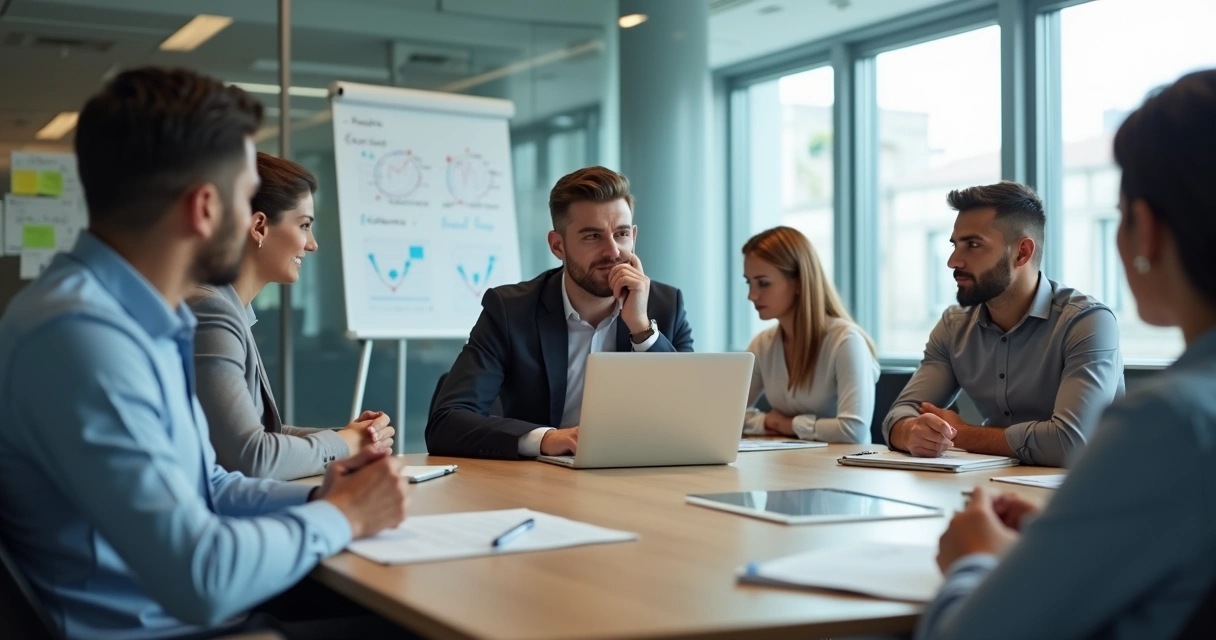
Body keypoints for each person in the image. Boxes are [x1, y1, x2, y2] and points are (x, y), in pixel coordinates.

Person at [0, 67, 409, 640]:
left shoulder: (142, 319)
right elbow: (203, 576)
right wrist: (344, 515)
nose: (253, 222)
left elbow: (209, 485)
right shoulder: (81, 337)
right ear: (204, 208)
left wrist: (324, 495)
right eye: (246, 198)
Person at [917, 68, 1216, 640]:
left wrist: (972, 560)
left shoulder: (1171, 421)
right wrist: (1068, 541)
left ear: (1145, 229)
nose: (955, 260)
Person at [426, 166, 694, 459]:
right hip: (543, 479)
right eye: (593, 236)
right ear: (558, 246)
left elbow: (693, 420)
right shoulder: (510, 311)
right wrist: (546, 439)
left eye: (621, 234)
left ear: (634, 236)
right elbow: (446, 423)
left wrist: (642, 329)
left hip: (640, 474)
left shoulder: (666, 307)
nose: (613, 251)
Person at [881, 181, 1124, 467]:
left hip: (1087, 488)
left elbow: (1070, 443)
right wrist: (911, 432)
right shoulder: (953, 326)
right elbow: (899, 415)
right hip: (995, 484)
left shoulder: (1087, 322)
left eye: (973, 245)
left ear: (1022, 253)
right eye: (955, 245)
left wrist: (962, 434)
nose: (953, 261)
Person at [188, 152, 394, 480]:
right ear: (259, 227)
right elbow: (252, 456)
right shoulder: (211, 311)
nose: (312, 244)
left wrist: (353, 438)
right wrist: (346, 443)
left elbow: (266, 432)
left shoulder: (230, 309)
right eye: (304, 226)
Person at [741, 226, 878, 443]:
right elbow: (728, 416)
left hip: (841, 464)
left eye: (763, 283)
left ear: (799, 282)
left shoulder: (845, 341)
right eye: (749, 282)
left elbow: (854, 430)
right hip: (790, 461)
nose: (752, 295)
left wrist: (788, 425)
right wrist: (767, 422)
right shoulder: (762, 345)